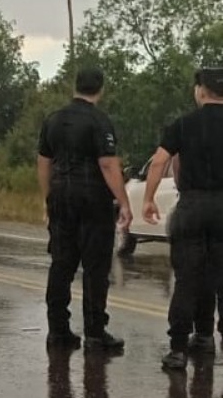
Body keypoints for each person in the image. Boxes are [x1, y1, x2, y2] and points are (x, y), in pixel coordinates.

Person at [37, 67, 132, 351]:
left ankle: (58, 330)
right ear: (100, 89)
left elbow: (44, 162)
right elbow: (107, 164)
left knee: (61, 264)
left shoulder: (53, 120)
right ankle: (94, 332)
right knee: (95, 266)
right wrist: (124, 202)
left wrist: (48, 197)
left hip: (61, 195)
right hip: (93, 198)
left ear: (74, 86)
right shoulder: (99, 122)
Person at [143, 67, 223, 370]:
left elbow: (160, 162)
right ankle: (205, 337)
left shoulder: (184, 124)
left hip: (192, 206)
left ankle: (178, 349)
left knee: (188, 279)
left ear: (201, 91)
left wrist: (149, 198)